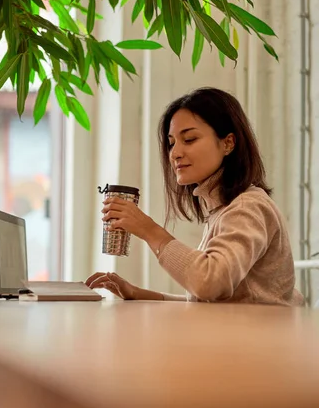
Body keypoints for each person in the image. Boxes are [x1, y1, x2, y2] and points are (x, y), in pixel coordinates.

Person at [86, 87, 304, 306]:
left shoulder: (247, 207)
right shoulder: (222, 209)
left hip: (260, 339)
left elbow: (210, 283)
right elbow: (215, 302)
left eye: (189, 139)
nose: (175, 153)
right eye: (171, 143)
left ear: (228, 143)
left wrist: (149, 229)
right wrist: (138, 294)